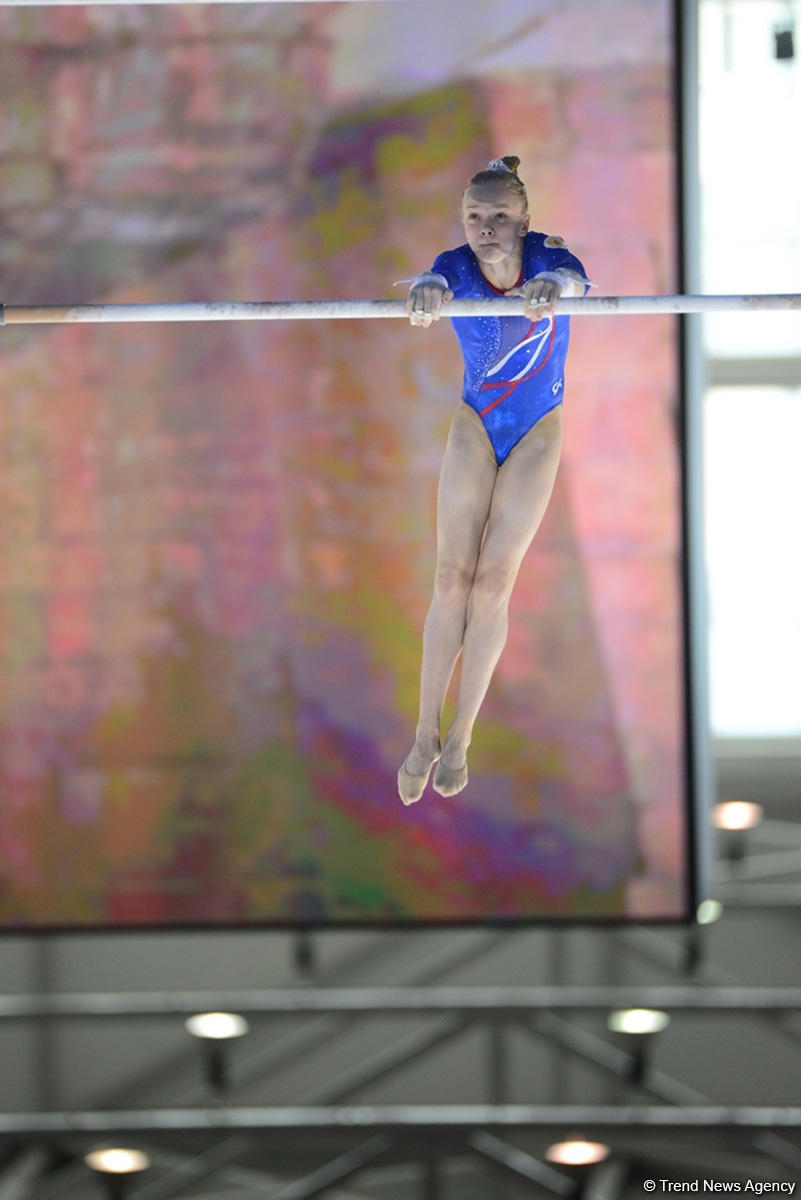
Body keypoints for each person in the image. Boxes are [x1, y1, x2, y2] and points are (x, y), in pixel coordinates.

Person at [397, 155, 589, 805]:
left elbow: (574, 281)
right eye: (474, 216)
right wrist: (425, 291)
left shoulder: (546, 256)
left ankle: (461, 739)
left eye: (500, 216)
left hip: (536, 429)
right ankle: (424, 734)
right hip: (475, 424)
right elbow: (431, 281)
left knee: (493, 583)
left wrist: (555, 288)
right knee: (451, 577)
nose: (486, 227)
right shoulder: (453, 265)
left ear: (524, 221)